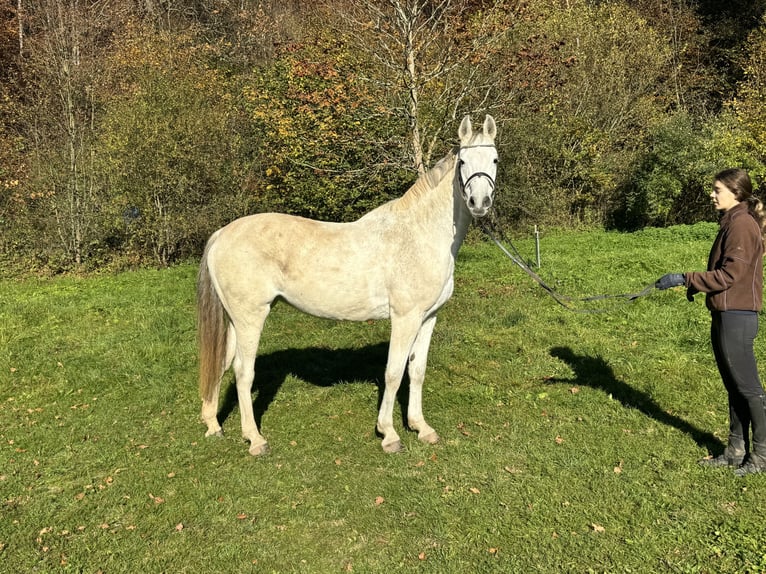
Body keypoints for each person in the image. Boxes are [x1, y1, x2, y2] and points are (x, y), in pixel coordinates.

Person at [656, 168, 766, 476]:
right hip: (725, 313)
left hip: (738, 316)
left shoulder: (742, 224)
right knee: (734, 387)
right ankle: (735, 450)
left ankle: (762, 455)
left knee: (748, 388)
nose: (712, 194)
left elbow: (732, 275)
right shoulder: (732, 222)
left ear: (736, 192)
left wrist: (685, 278)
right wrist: (692, 283)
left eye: (717, 189)